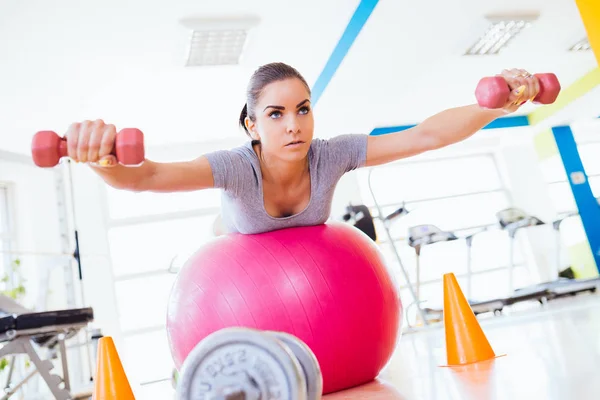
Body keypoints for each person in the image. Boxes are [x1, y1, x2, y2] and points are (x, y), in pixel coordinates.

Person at [65, 62, 540, 234]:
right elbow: (144, 177)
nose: (294, 125)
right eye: (276, 114)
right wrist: (100, 159)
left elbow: (424, 136)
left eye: (303, 108)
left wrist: (500, 106)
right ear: (252, 125)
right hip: (235, 267)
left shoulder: (332, 155)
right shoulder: (235, 168)